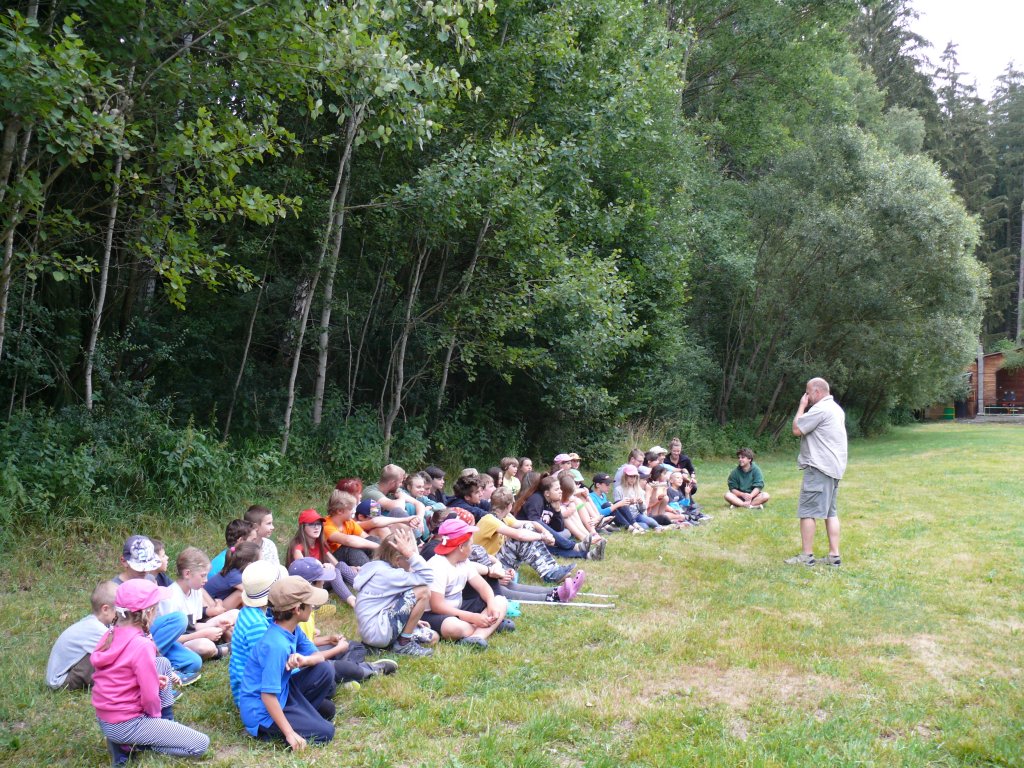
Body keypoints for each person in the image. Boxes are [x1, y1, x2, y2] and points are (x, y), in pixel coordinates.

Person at [91, 580, 210, 764]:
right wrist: (155, 720)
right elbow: (149, 697)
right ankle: (133, 745)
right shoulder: (141, 645)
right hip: (126, 724)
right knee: (200, 744)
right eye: (156, 607)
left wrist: (153, 679)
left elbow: (118, 676)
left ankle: (147, 732)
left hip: (107, 719)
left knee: (162, 663)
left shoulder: (111, 633)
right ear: (148, 613)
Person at [237, 576, 339, 749]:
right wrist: (290, 733)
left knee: (325, 670)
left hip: (284, 692)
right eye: (311, 604)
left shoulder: (292, 629)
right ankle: (279, 728)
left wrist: (305, 660)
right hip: (262, 713)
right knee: (326, 732)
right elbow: (267, 696)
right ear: (297, 609)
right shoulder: (276, 645)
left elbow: (319, 657)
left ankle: (302, 716)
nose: (313, 607)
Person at [287, 557, 396, 684]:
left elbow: (307, 642)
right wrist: (337, 649)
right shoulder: (300, 616)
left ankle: (347, 674)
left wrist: (328, 639)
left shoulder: (305, 608)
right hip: (303, 666)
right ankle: (369, 670)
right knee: (332, 667)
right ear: (310, 585)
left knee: (355, 647)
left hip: (309, 656)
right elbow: (305, 658)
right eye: (321, 580)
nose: (323, 583)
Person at [787, 377, 847, 567]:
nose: (806, 396)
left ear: (817, 392)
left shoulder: (820, 409)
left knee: (807, 512)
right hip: (834, 469)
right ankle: (834, 556)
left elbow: (797, 429)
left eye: (808, 392)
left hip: (819, 467)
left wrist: (801, 406)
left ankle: (806, 556)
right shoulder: (836, 409)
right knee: (831, 513)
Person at [422, 518, 509, 649]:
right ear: (461, 547)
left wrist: (491, 603)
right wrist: (472, 617)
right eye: (471, 545)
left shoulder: (464, 562)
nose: (472, 548)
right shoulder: (437, 566)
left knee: (500, 601)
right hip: (435, 614)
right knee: (453, 627)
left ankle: (477, 636)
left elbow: (483, 586)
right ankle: (490, 625)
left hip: (458, 609)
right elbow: (437, 606)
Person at [353, 526, 438, 657]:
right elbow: (429, 577)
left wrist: (410, 619)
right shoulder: (391, 575)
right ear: (398, 560)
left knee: (433, 637)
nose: (412, 559)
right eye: (409, 556)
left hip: (373, 631)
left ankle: (385, 646)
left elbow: (391, 601)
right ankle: (404, 644)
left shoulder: (376, 567)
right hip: (379, 632)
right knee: (423, 591)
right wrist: (409, 554)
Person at [156, 547, 237, 662]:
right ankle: (220, 651)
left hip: (191, 634)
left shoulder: (196, 590)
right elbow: (169, 639)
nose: (206, 580)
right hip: (176, 642)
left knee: (235, 613)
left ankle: (226, 642)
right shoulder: (170, 598)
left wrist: (216, 625)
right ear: (187, 574)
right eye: (203, 575)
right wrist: (203, 634)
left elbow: (192, 626)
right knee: (205, 646)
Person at [229, 560, 285, 707]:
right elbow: (269, 666)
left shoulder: (251, 612)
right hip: (256, 696)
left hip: (256, 689)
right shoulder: (257, 625)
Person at [46, 581, 118, 690]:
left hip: (65, 673)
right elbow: (119, 652)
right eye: (119, 610)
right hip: (61, 681)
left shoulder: (91, 621)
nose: (122, 615)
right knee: (106, 658)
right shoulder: (97, 629)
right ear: (105, 609)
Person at [287, 508, 356, 604]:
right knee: (334, 571)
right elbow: (304, 571)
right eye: (312, 524)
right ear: (303, 527)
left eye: (319, 524)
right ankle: (353, 601)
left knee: (341, 565)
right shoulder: (297, 547)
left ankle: (366, 587)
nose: (316, 527)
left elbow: (336, 564)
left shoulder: (319, 543)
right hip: (308, 584)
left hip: (320, 580)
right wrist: (323, 567)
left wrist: (349, 569)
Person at [205, 541, 262, 610]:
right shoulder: (236, 576)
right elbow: (252, 593)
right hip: (209, 605)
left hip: (216, 601)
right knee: (242, 594)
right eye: (260, 562)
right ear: (250, 565)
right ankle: (248, 615)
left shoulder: (236, 570)